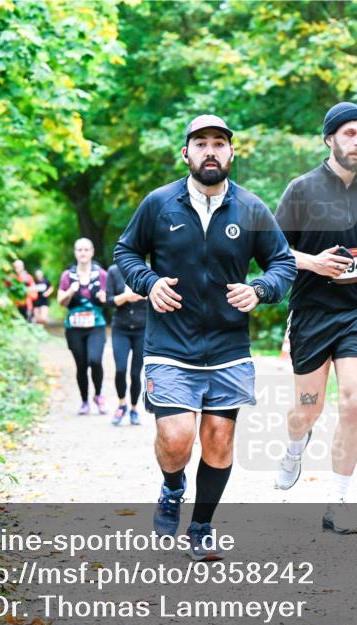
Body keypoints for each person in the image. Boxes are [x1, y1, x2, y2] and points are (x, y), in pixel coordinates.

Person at [114, 114, 296, 560]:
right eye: (201, 144)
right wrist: (148, 282)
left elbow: (283, 264)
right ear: (186, 153)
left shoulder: (251, 209)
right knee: (177, 439)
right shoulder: (159, 204)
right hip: (170, 345)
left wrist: (260, 290)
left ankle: (201, 527)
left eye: (219, 143)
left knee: (218, 440)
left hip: (228, 347)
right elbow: (125, 252)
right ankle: (173, 486)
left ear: (231, 153)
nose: (210, 151)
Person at [272, 102, 357, 535]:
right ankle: (295, 446)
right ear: (330, 139)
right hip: (311, 313)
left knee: (354, 400)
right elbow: (274, 253)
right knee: (306, 410)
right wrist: (313, 263)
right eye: (349, 134)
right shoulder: (302, 190)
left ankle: (339, 501)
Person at [56, 238, 110, 416]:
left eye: (86, 249)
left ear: (92, 252)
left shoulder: (102, 274)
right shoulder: (67, 276)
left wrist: (104, 297)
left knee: (95, 360)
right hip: (74, 327)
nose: (83, 253)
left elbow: (109, 298)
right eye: (79, 250)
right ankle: (85, 401)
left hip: (96, 325)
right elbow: (60, 302)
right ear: (75, 253)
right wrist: (71, 290)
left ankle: (99, 396)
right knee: (81, 365)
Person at [105, 262, 147, 426]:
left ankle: (134, 409)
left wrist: (141, 294)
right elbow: (109, 300)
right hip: (120, 328)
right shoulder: (114, 271)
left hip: (142, 328)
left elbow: (157, 295)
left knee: (136, 373)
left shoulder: (148, 269)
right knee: (121, 369)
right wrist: (125, 297)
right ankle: (122, 404)